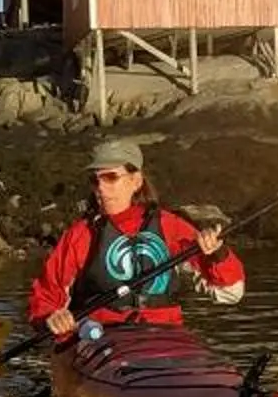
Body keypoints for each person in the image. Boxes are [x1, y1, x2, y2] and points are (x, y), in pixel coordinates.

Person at [29, 138, 243, 337]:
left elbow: (231, 293)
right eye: (95, 180)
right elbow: (45, 298)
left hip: (165, 336)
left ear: (136, 181)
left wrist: (217, 254)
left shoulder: (171, 227)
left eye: (111, 177)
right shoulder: (81, 235)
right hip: (102, 339)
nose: (101, 189)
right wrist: (51, 318)